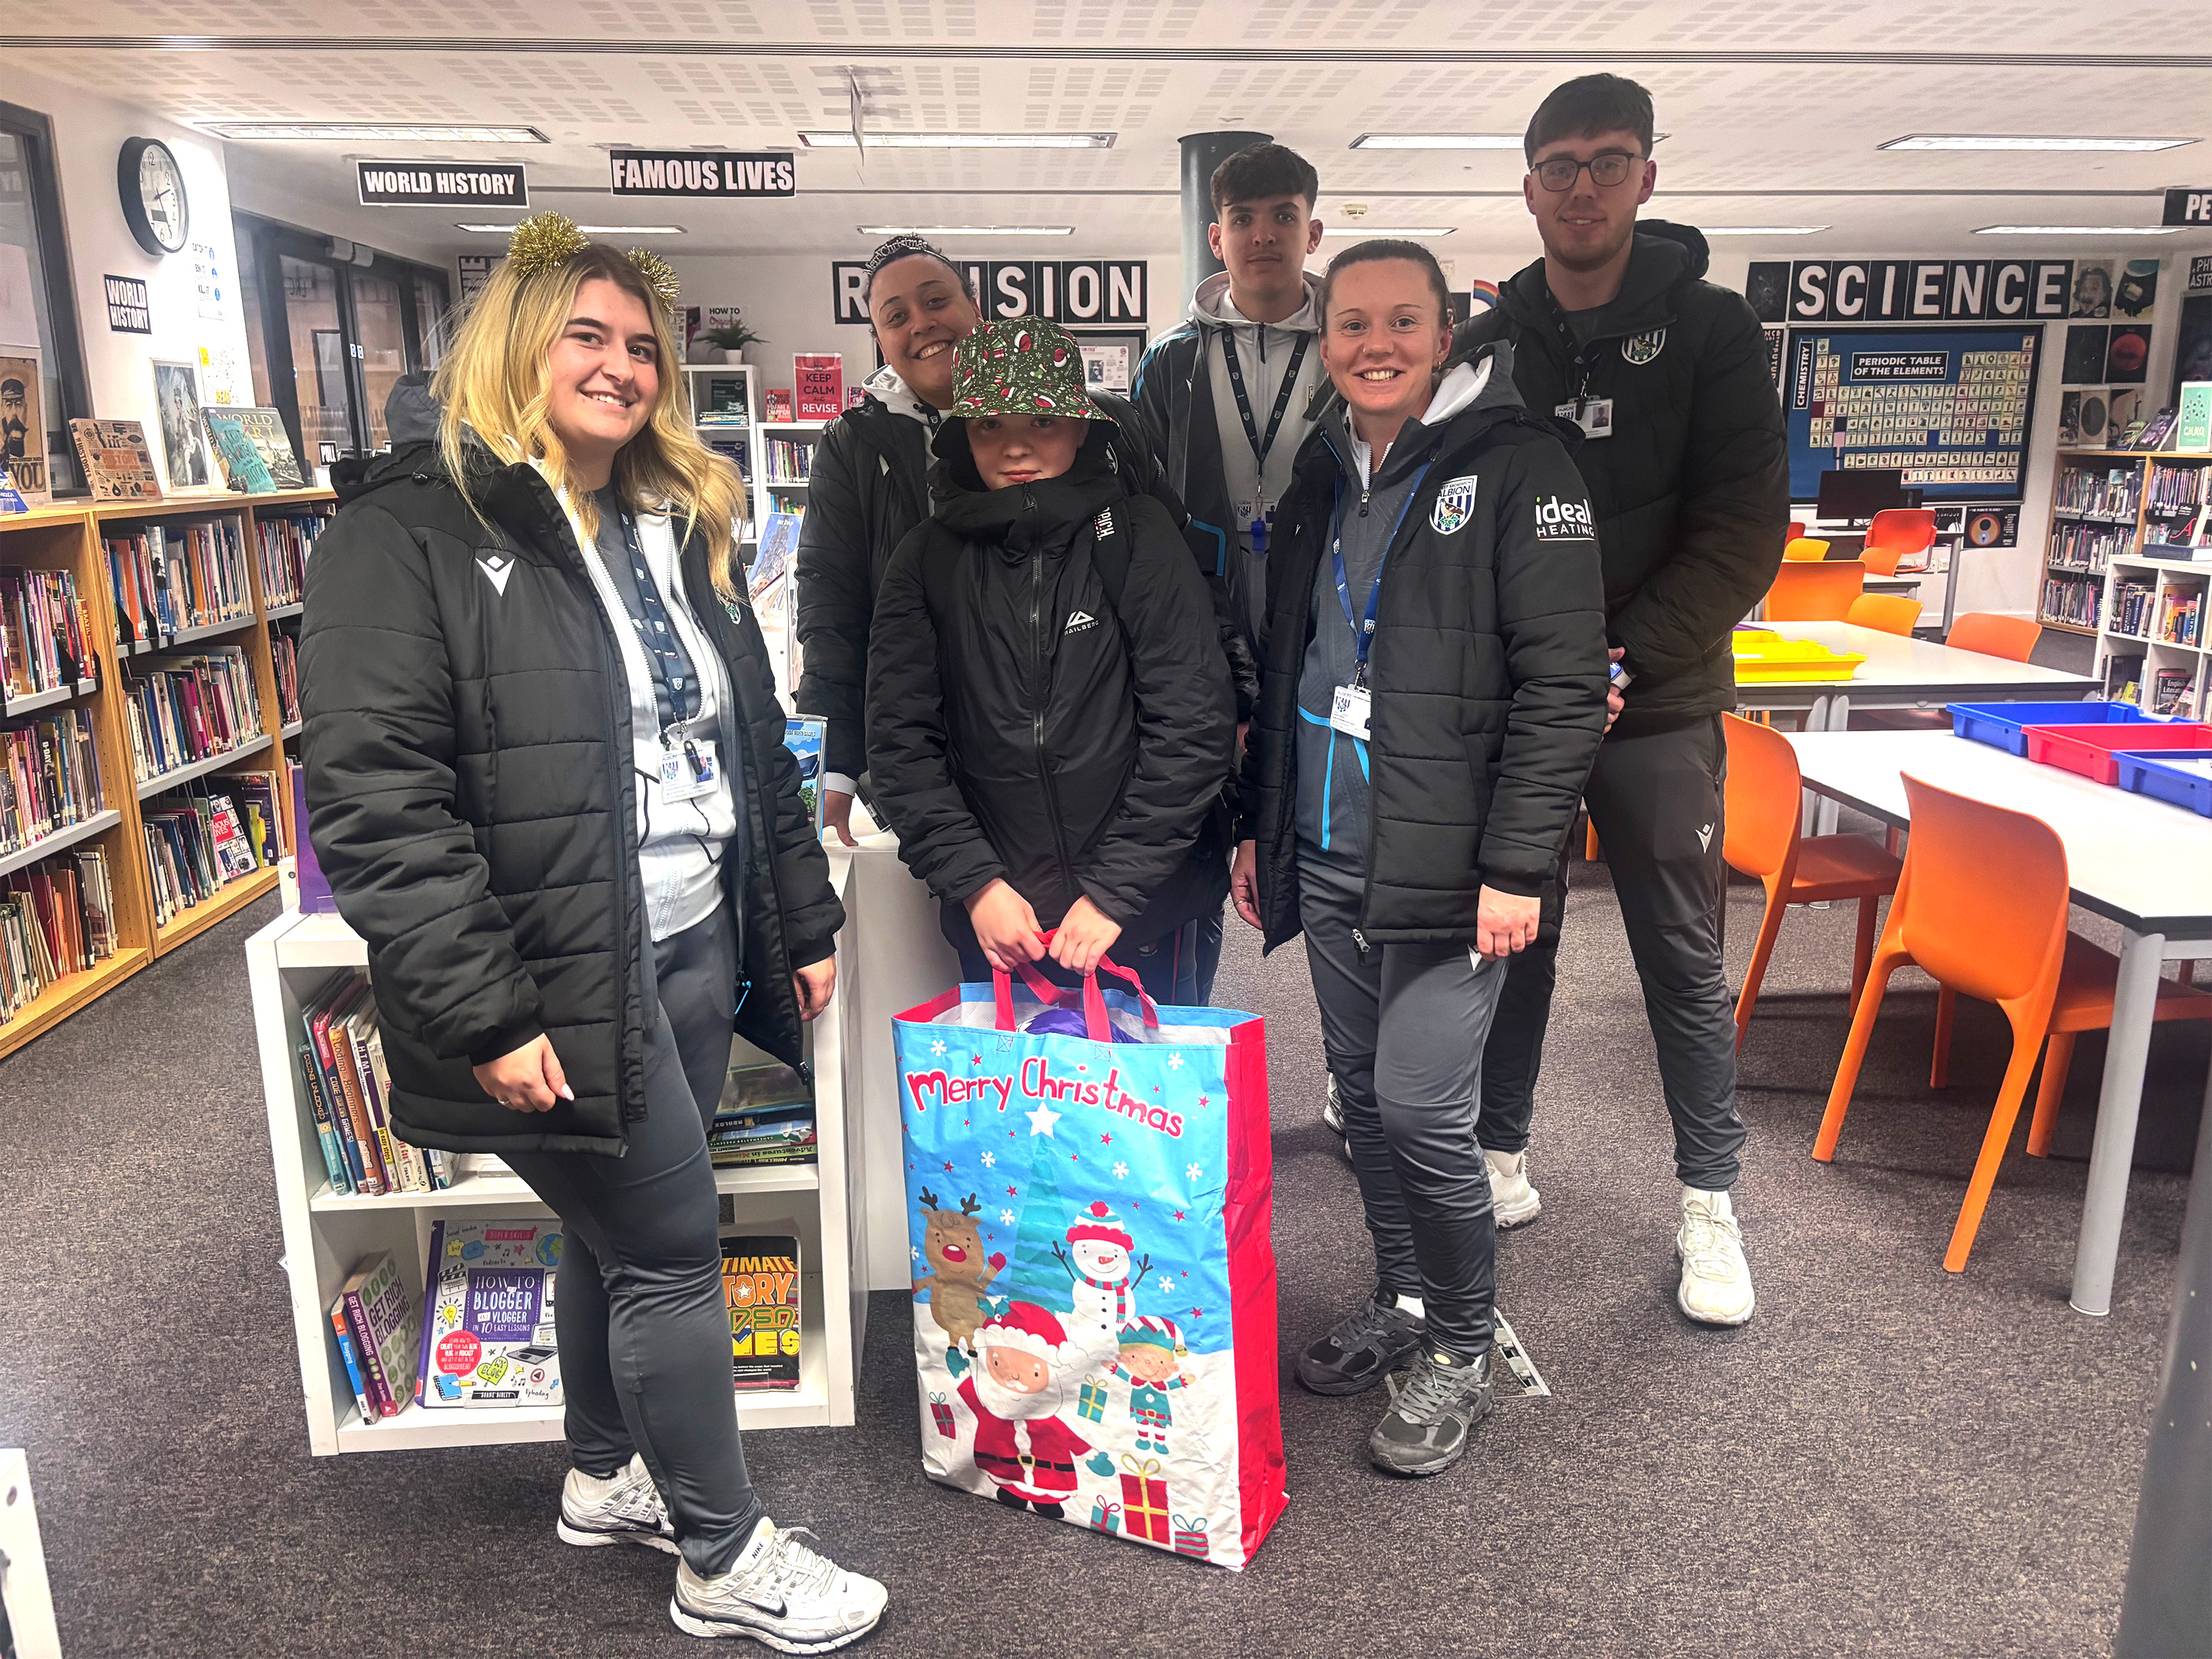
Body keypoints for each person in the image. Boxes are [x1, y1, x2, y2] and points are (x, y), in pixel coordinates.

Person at [298, 214, 886, 1651]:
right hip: (555, 973)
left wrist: (798, 917)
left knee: (613, 1238)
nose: (622, 368)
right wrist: (487, 1010)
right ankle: (721, 1555)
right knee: (675, 1243)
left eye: (643, 347)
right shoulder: (411, 532)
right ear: (517, 344)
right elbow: (377, 796)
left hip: (687, 933)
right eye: (589, 337)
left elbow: (750, 745)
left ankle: (605, 1468)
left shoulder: (675, 521)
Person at [1230, 240, 1608, 1476]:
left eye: (1402, 320)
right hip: (1333, 846)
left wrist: (1519, 863)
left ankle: (1459, 1336)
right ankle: (1401, 1301)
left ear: (1447, 334)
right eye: (1351, 324)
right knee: (1362, 1103)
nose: (1374, 343)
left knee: (1425, 1109)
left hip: (1456, 864)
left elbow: (1563, 689)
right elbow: (1288, 666)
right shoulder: (1319, 478)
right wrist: (1263, 823)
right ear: (1324, 340)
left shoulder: (1519, 466)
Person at [1451, 73, 1787, 1325]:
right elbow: (1464, 523)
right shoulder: (1489, 343)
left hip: (1657, 704)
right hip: (1526, 709)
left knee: (1677, 958)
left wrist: (1615, 662)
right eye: (1558, 165)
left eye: (1606, 162)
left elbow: (1743, 532)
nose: (1581, 186)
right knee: (1512, 934)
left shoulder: (1712, 331)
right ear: (1528, 183)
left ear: (1646, 177)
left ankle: (1709, 1203)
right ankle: (1499, 1156)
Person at [793, 235, 1250, 870]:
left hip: (1109, 759)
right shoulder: (856, 447)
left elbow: (1184, 578)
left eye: (935, 301)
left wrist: (1239, 699)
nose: (921, 324)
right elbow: (832, 608)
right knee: (965, 943)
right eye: (895, 316)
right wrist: (832, 761)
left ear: (973, 304)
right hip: (943, 766)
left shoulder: (1109, 428)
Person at [866, 320, 1235, 1006]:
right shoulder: (925, 561)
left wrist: (1115, 892)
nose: (1015, 447)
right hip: (1003, 927)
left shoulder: (1139, 536)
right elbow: (900, 747)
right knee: (1016, 1107)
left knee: (1153, 1108)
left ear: (1081, 427)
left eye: (1041, 420)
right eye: (988, 426)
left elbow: (1192, 726)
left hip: (1145, 913)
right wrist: (976, 885)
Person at [1135, 141, 1330, 1007]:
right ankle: (1188, 1020)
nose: (1262, 236)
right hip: (1203, 616)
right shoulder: (1171, 362)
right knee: (1204, 811)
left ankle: (1351, 1047)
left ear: (1312, 231)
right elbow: (1139, 503)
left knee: (1330, 812)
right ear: (1216, 236)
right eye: (1244, 219)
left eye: (1282, 217)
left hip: (1322, 613)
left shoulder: (1346, 343)